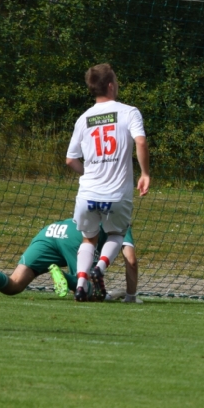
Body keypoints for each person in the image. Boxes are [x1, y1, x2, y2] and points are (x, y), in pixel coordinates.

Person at [66, 63, 149, 302]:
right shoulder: (129, 112)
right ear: (111, 85)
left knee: (89, 239)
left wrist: (89, 174)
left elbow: (70, 159)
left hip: (87, 193)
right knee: (116, 234)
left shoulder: (83, 118)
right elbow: (141, 142)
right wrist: (145, 173)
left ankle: (80, 285)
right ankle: (100, 268)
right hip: (116, 194)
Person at [0, 219, 141, 303]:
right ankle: (62, 275)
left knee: (15, 284)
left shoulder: (95, 207)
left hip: (51, 231)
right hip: (76, 237)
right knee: (90, 292)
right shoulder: (121, 221)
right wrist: (130, 296)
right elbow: (131, 261)